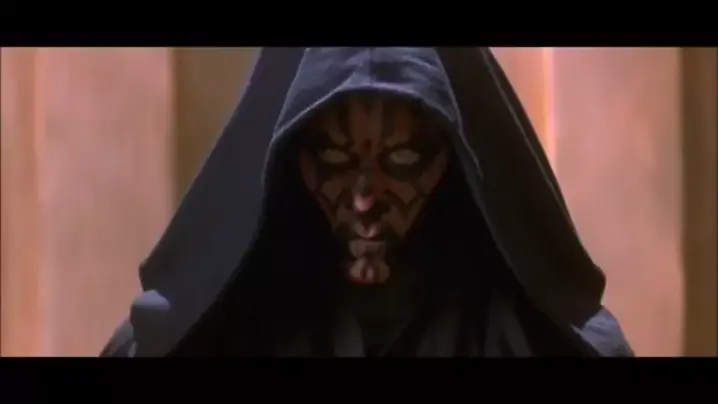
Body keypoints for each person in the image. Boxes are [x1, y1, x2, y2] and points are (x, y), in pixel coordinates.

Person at [101, 47, 633, 357]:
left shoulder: (526, 340)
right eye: (335, 159)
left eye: (400, 161)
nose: (364, 199)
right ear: (294, 161)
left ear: (447, 162)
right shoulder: (213, 336)